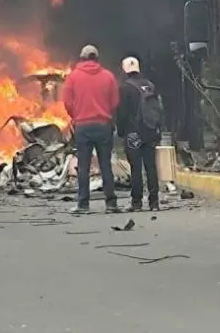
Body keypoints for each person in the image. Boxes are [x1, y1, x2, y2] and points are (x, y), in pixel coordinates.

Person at [62, 45, 120, 214]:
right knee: (105, 165)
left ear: (82, 58)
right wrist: (105, 114)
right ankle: (111, 204)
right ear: (97, 58)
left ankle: (83, 204)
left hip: (83, 127)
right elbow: (115, 102)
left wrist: (77, 116)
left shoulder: (73, 77)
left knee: (84, 167)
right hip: (103, 126)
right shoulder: (108, 76)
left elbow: (67, 103)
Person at [115, 57, 162, 212]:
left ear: (124, 70)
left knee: (136, 168)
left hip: (133, 134)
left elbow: (122, 114)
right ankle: (154, 202)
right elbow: (159, 109)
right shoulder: (150, 86)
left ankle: (137, 203)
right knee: (151, 167)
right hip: (150, 131)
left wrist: (121, 131)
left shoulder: (125, 88)